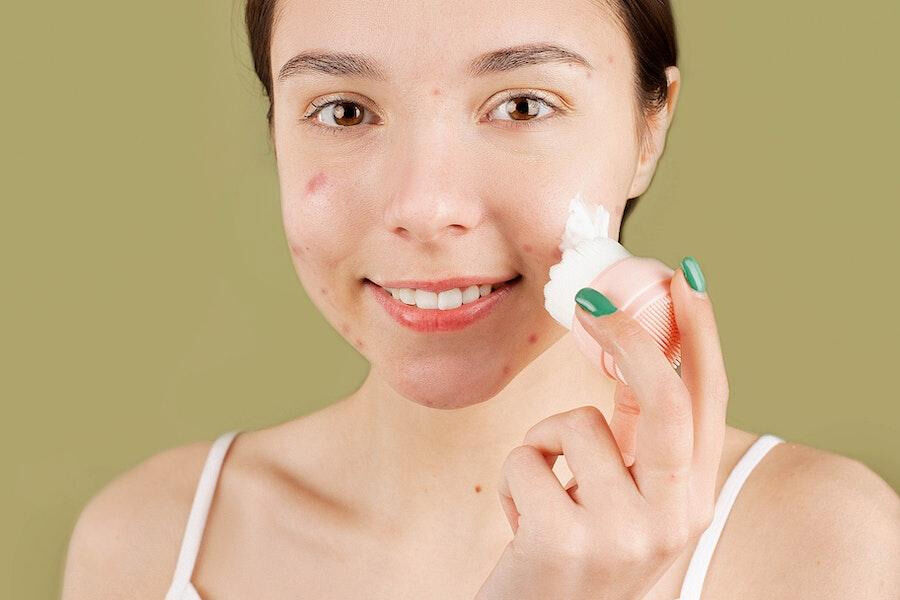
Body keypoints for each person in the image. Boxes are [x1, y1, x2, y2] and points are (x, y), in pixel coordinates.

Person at [62, 0, 899, 598]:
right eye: (344, 110)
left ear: (650, 128)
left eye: (523, 104)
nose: (425, 209)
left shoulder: (824, 553)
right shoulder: (148, 543)